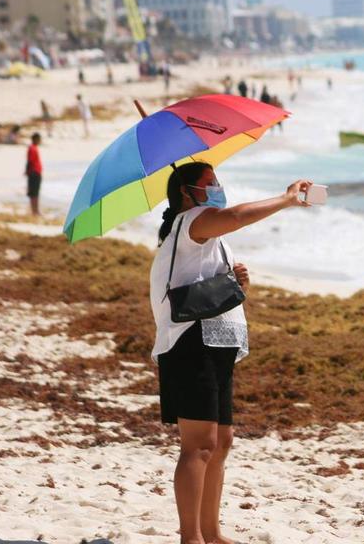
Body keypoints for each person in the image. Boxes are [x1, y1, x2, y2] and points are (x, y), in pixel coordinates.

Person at [149, 162, 311, 544]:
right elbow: (237, 216)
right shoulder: (193, 220)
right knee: (198, 445)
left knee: (221, 442)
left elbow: (207, 287)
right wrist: (287, 199)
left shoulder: (202, 232)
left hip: (217, 342)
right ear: (188, 192)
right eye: (210, 183)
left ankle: (211, 533)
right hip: (192, 343)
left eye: (217, 180)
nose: (218, 187)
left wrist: (236, 285)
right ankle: (191, 539)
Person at [25, 132, 42, 216]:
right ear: (35, 139)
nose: (40, 141)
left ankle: (35, 210)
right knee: (34, 193)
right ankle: (34, 211)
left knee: (35, 193)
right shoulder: (32, 148)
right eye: (39, 139)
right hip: (34, 172)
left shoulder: (34, 148)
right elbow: (29, 161)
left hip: (35, 172)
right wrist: (27, 171)